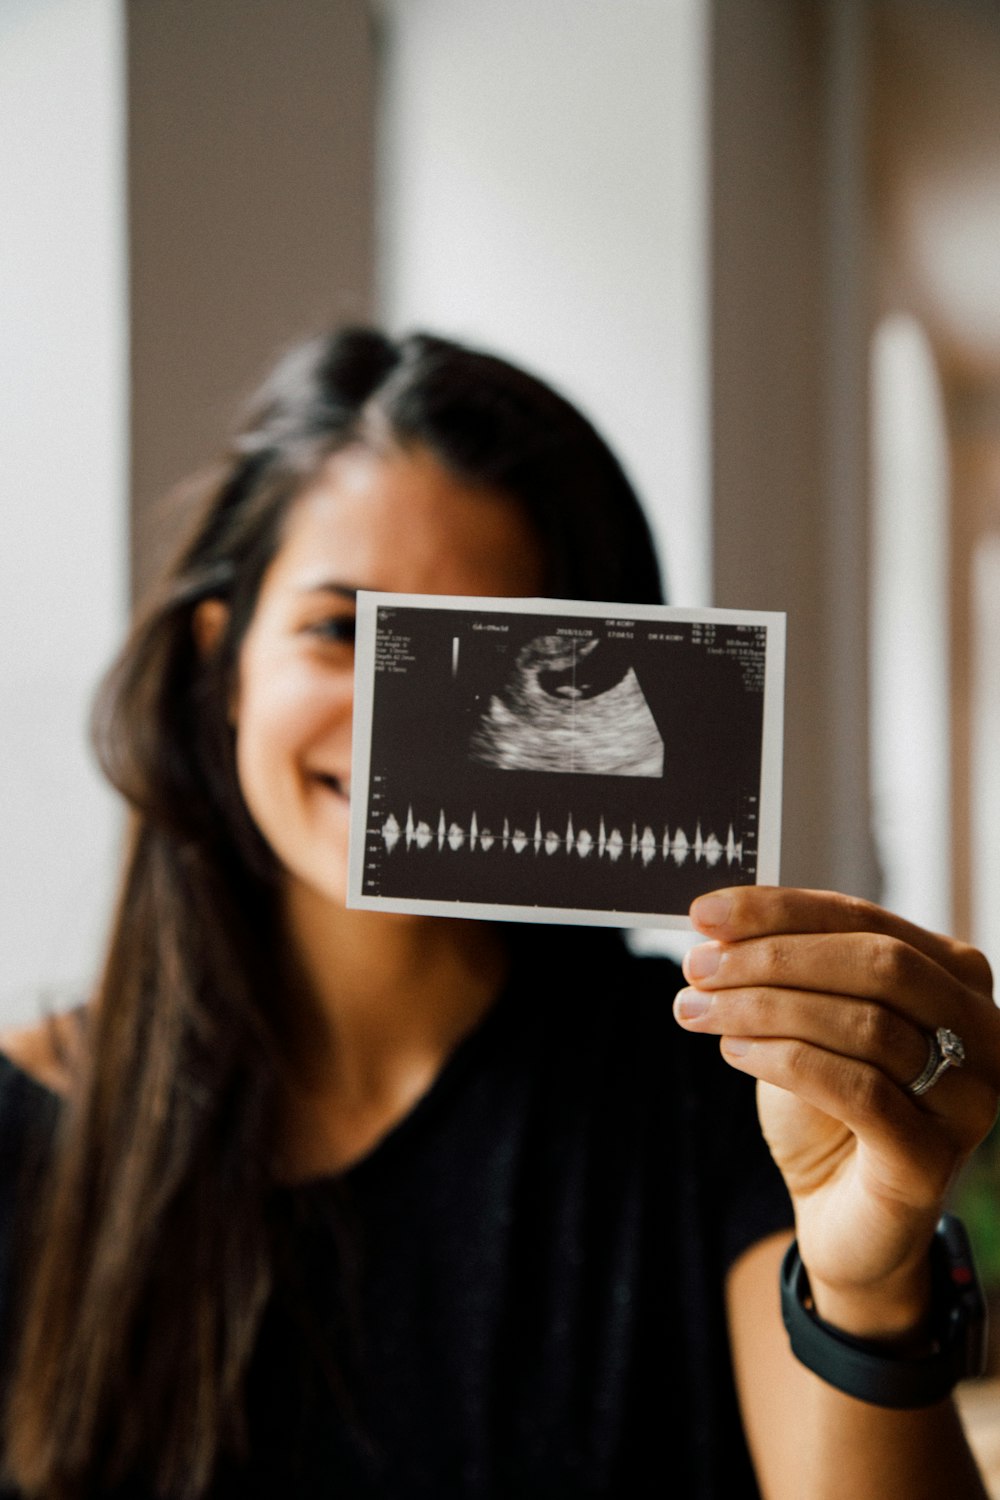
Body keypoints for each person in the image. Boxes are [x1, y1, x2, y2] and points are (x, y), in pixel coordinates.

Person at [0, 328, 996, 1499]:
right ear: (222, 665)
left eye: (496, 658)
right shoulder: (26, 1140)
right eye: (340, 630)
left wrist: (870, 1287)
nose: (392, 722)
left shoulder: (730, 1094)